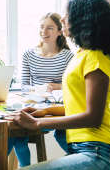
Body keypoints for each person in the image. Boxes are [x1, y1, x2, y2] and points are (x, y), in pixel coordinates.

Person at [12, 0, 110, 169]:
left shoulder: (96, 57)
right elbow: (79, 106)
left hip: (103, 151)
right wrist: (46, 111)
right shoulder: (82, 55)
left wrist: (38, 123)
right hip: (87, 149)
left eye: (68, 15)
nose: (63, 19)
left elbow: (93, 117)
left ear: (83, 20)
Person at [10, 13, 74, 167]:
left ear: (59, 31)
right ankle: (25, 166)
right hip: (34, 103)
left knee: (62, 135)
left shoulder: (67, 56)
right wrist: (38, 90)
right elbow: (24, 86)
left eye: (50, 28)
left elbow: (74, 86)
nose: (44, 31)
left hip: (59, 107)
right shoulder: (28, 55)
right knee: (16, 131)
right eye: (42, 27)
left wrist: (57, 87)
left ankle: (80, 160)